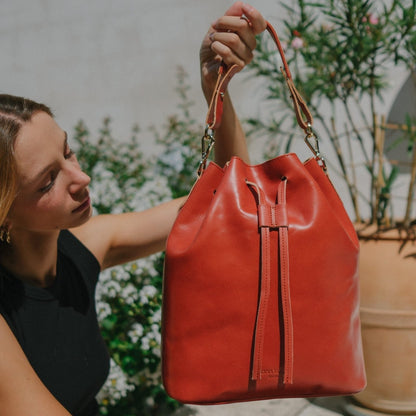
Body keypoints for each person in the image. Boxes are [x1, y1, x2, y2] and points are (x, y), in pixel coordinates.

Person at [0, 3, 266, 415]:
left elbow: (226, 203)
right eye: (49, 180)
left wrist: (217, 89)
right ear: (5, 214)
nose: (81, 177)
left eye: (68, 152)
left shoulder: (84, 247)